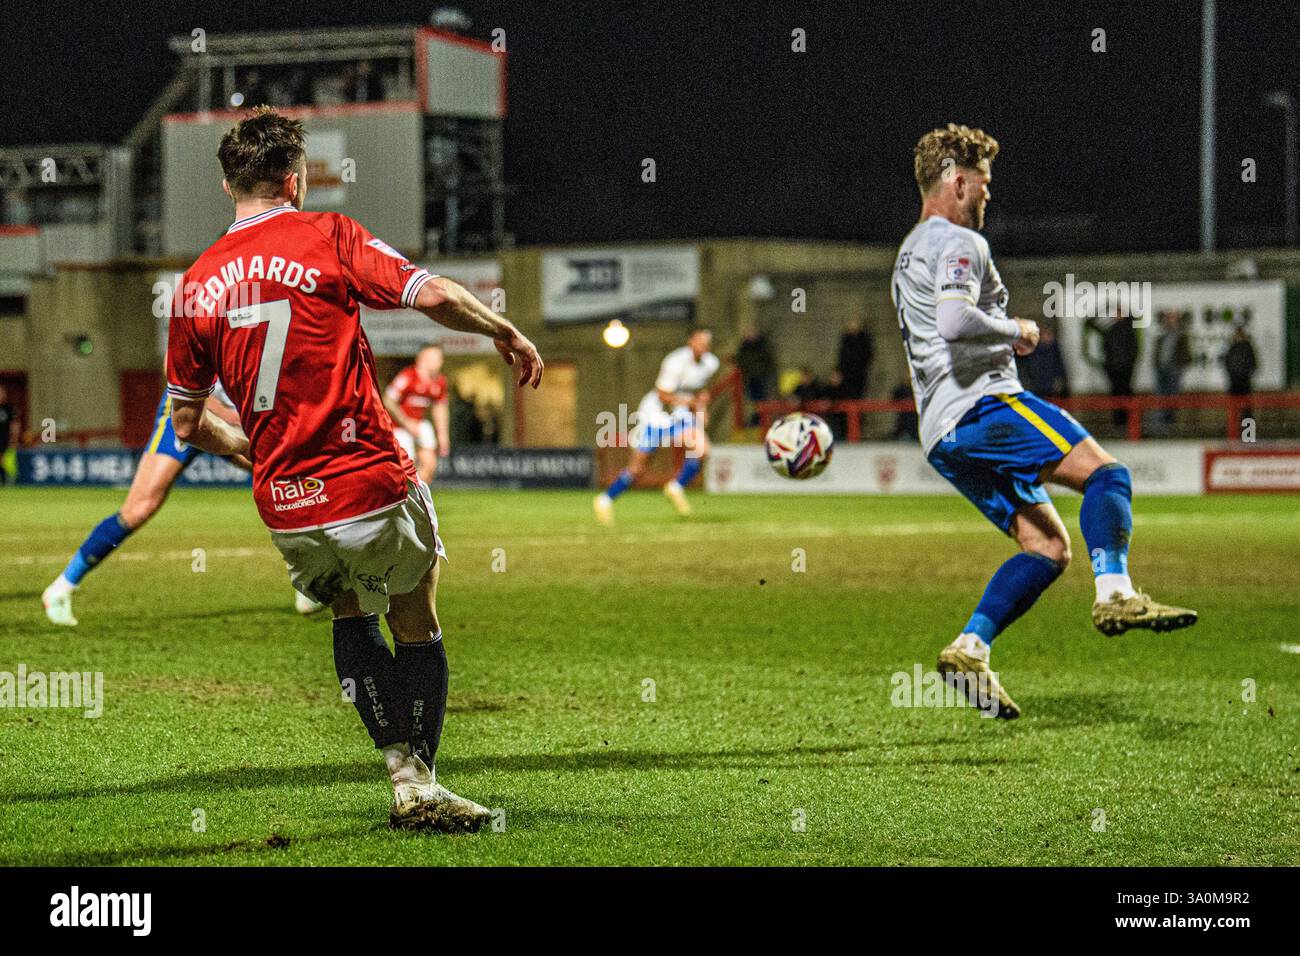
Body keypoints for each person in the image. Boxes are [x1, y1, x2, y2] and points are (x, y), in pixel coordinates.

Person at [163, 107, 543, 831]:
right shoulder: (325, 235)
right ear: (294, 179)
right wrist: (501, 328)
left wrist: (254, 451)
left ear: (226, 186)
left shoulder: (195, 285)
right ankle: (419, 785)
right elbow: (429, 293)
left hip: (284, 503)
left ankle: (402, 771)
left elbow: (186, 424)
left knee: (348, 608)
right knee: (415, 603)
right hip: (363, 476)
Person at [891, 123, 1197, 719]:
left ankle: (970, 648)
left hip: (942, 434)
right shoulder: (960, 242)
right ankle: (1116, 595)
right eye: (982, 183)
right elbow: (955, 322)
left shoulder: (907, 253)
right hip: (983, 406)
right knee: (1108, 477)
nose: (987, 195)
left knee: (1049, 547)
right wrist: (1020, 331)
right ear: (957, 182)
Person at [39, 384, 303, 624]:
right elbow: (174, 367)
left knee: (285, 482)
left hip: (237, 420)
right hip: (187, 411)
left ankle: (312, 585)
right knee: (139, 509)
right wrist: (226, 413)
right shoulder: (207, 329)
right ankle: (61, 588)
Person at [593, 328, 718, 525]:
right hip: (657, 415)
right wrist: (694, 404)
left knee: (702, 450)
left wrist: (701, 405)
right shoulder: (675, 361)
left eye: (707, 343)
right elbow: (663, 395)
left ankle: (676, 487)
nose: (704, 346)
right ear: (691, 341)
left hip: (679, 414)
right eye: (700, 341)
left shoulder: (711, 363)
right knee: (638, 468)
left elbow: (699, 389)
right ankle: (605, 499)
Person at [384, 344, 450, 483]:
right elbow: (388, 400)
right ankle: (402, 497)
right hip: (399, 427)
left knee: (430, 464)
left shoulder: (439, 381)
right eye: (433, 358)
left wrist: (443, 436)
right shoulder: (408, 376)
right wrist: (407, 423)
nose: (438, 362)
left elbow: (440, 408)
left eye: (439, 358)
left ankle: (418, 498)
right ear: (421, 359)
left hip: (419, 424)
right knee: (406, 467)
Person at [1153, 310, 1191, 429]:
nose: (1169, 322)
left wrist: (1179, 366)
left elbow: (1187, 355)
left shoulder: (1181, 337)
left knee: (1173, 396)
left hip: (1174, 370)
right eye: (1168, 319)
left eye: (1172, 319)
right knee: (1161, 396)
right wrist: (1156, 364)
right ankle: (1162, 422)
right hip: (1161, 370)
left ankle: (1171, 421)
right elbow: (1157, 354)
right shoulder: (1161, 337)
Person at [1015, 324, 1069, 398]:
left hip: (1050, 387)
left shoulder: (1053, 350)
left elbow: (1059, 367)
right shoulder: (1034, 350)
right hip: (1037, 386)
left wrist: (1060, 381)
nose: (1047, 337)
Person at [734, 326, 774, 425]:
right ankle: (755, 420)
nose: (750, 335)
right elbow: (740, 359)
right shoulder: (744, 347)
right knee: (753, 400)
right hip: (749, 377)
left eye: (752, 333)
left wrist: (765, 374)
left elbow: (768, 361)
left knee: (761, 401)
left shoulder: (762, 346)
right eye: (748, 333)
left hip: (761, 377)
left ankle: (758, 421)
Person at [1224, 325, 1258, 424]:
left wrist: (1245, 372)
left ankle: (1247, 427)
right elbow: (1227, 361)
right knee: (1234, 405)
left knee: (1246, 406)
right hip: (1235, 380)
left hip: (1244, 380)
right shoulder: (1233, 346)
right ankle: (1234, 424)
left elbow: (1253, 363)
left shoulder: (1246, 346)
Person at [836, 320, 875, 398]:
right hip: (846, 373)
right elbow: (842, 356)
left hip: (859, 373)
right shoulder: (846, 339)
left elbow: (868, 354)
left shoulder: (864, 339)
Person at [0, 384, 16, 486]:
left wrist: (13, 439)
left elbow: (14, 425)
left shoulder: (9, 409)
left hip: (6, 442)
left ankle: (10, 486)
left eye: (1, 393)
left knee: (8, 466)